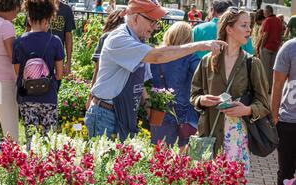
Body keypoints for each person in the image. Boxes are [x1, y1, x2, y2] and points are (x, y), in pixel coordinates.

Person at [85, 0, 226, 142]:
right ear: (135, 18)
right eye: (152, 21)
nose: (155, 27)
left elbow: (140, 83)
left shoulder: (138, 40)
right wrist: (199, 46)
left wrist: (149, 108)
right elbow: (158, 56)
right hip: (106, 114)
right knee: (104, 163)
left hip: (123, 113)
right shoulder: (120, 39)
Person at [190, 8, 270, 172]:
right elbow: (194, 95)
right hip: (209, 137)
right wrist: (202, 100)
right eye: (244, 25)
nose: (249, 29)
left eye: (250, 25)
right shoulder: (207, 61)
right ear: (229, 29)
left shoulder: (252, 63)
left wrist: (247, 110)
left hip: (237, 140)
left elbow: (263, 104)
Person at [12, 0, 64, 148]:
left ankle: (31, 169)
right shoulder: (55, 41)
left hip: (26, 97)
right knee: (49, 141)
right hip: (49, 97)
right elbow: (59, 74)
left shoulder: (19, 41)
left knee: (31, 141)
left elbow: (18, 72)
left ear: (29, 18)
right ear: (48, 19)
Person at [150, 21, 199, 151]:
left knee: (159, 155)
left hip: (157, 111)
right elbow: (203, 76)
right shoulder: (190, 57)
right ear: (188, 38)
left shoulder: (156, 54)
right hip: (181, 113)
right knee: (179, 157)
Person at [271, 37, 296, 185]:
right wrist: (274, 117)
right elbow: (277, 84)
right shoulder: (289, 47)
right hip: (288, 122)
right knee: (286, 171)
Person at [86, 9, 125, 110]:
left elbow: (97, 69)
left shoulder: (106, 37)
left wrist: (90, 97)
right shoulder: (131, 40)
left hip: (104, 98)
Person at [26, 0, 75, 76]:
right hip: (36, 56)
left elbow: (68, 36)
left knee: (55, 84)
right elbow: (28, 31)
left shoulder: (66, 9)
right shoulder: (36, 5)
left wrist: (68, 62)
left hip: (57, 57)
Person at [0, 0, 21, 143]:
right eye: (17, 11)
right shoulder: (5, 26)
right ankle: (12, 164)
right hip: (5, 83)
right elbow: (13, 56)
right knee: (10, 132)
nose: (16, 16)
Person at [257, 5, 282, 93]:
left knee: (265, 69)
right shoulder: (278, 20)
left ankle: (266, 88)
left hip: (267, 47)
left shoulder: (267, 20)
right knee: (273, 69)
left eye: (264, 11)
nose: (263, 13)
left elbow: (265, 34)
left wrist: (261, 46)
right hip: (276, 47)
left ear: (268, 12)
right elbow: (280, 33)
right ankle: (271, 88)